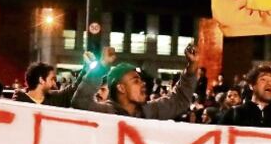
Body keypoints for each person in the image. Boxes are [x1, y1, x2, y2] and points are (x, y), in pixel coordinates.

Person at [71, 44, 199, 120]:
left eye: (141, 80)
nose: (143, 84)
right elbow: (80, 102)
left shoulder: (149, 111)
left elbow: (179, 101)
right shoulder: (105, 113)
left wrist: (191, 67)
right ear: (121, 88)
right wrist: (102, 65)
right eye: (136, 81)